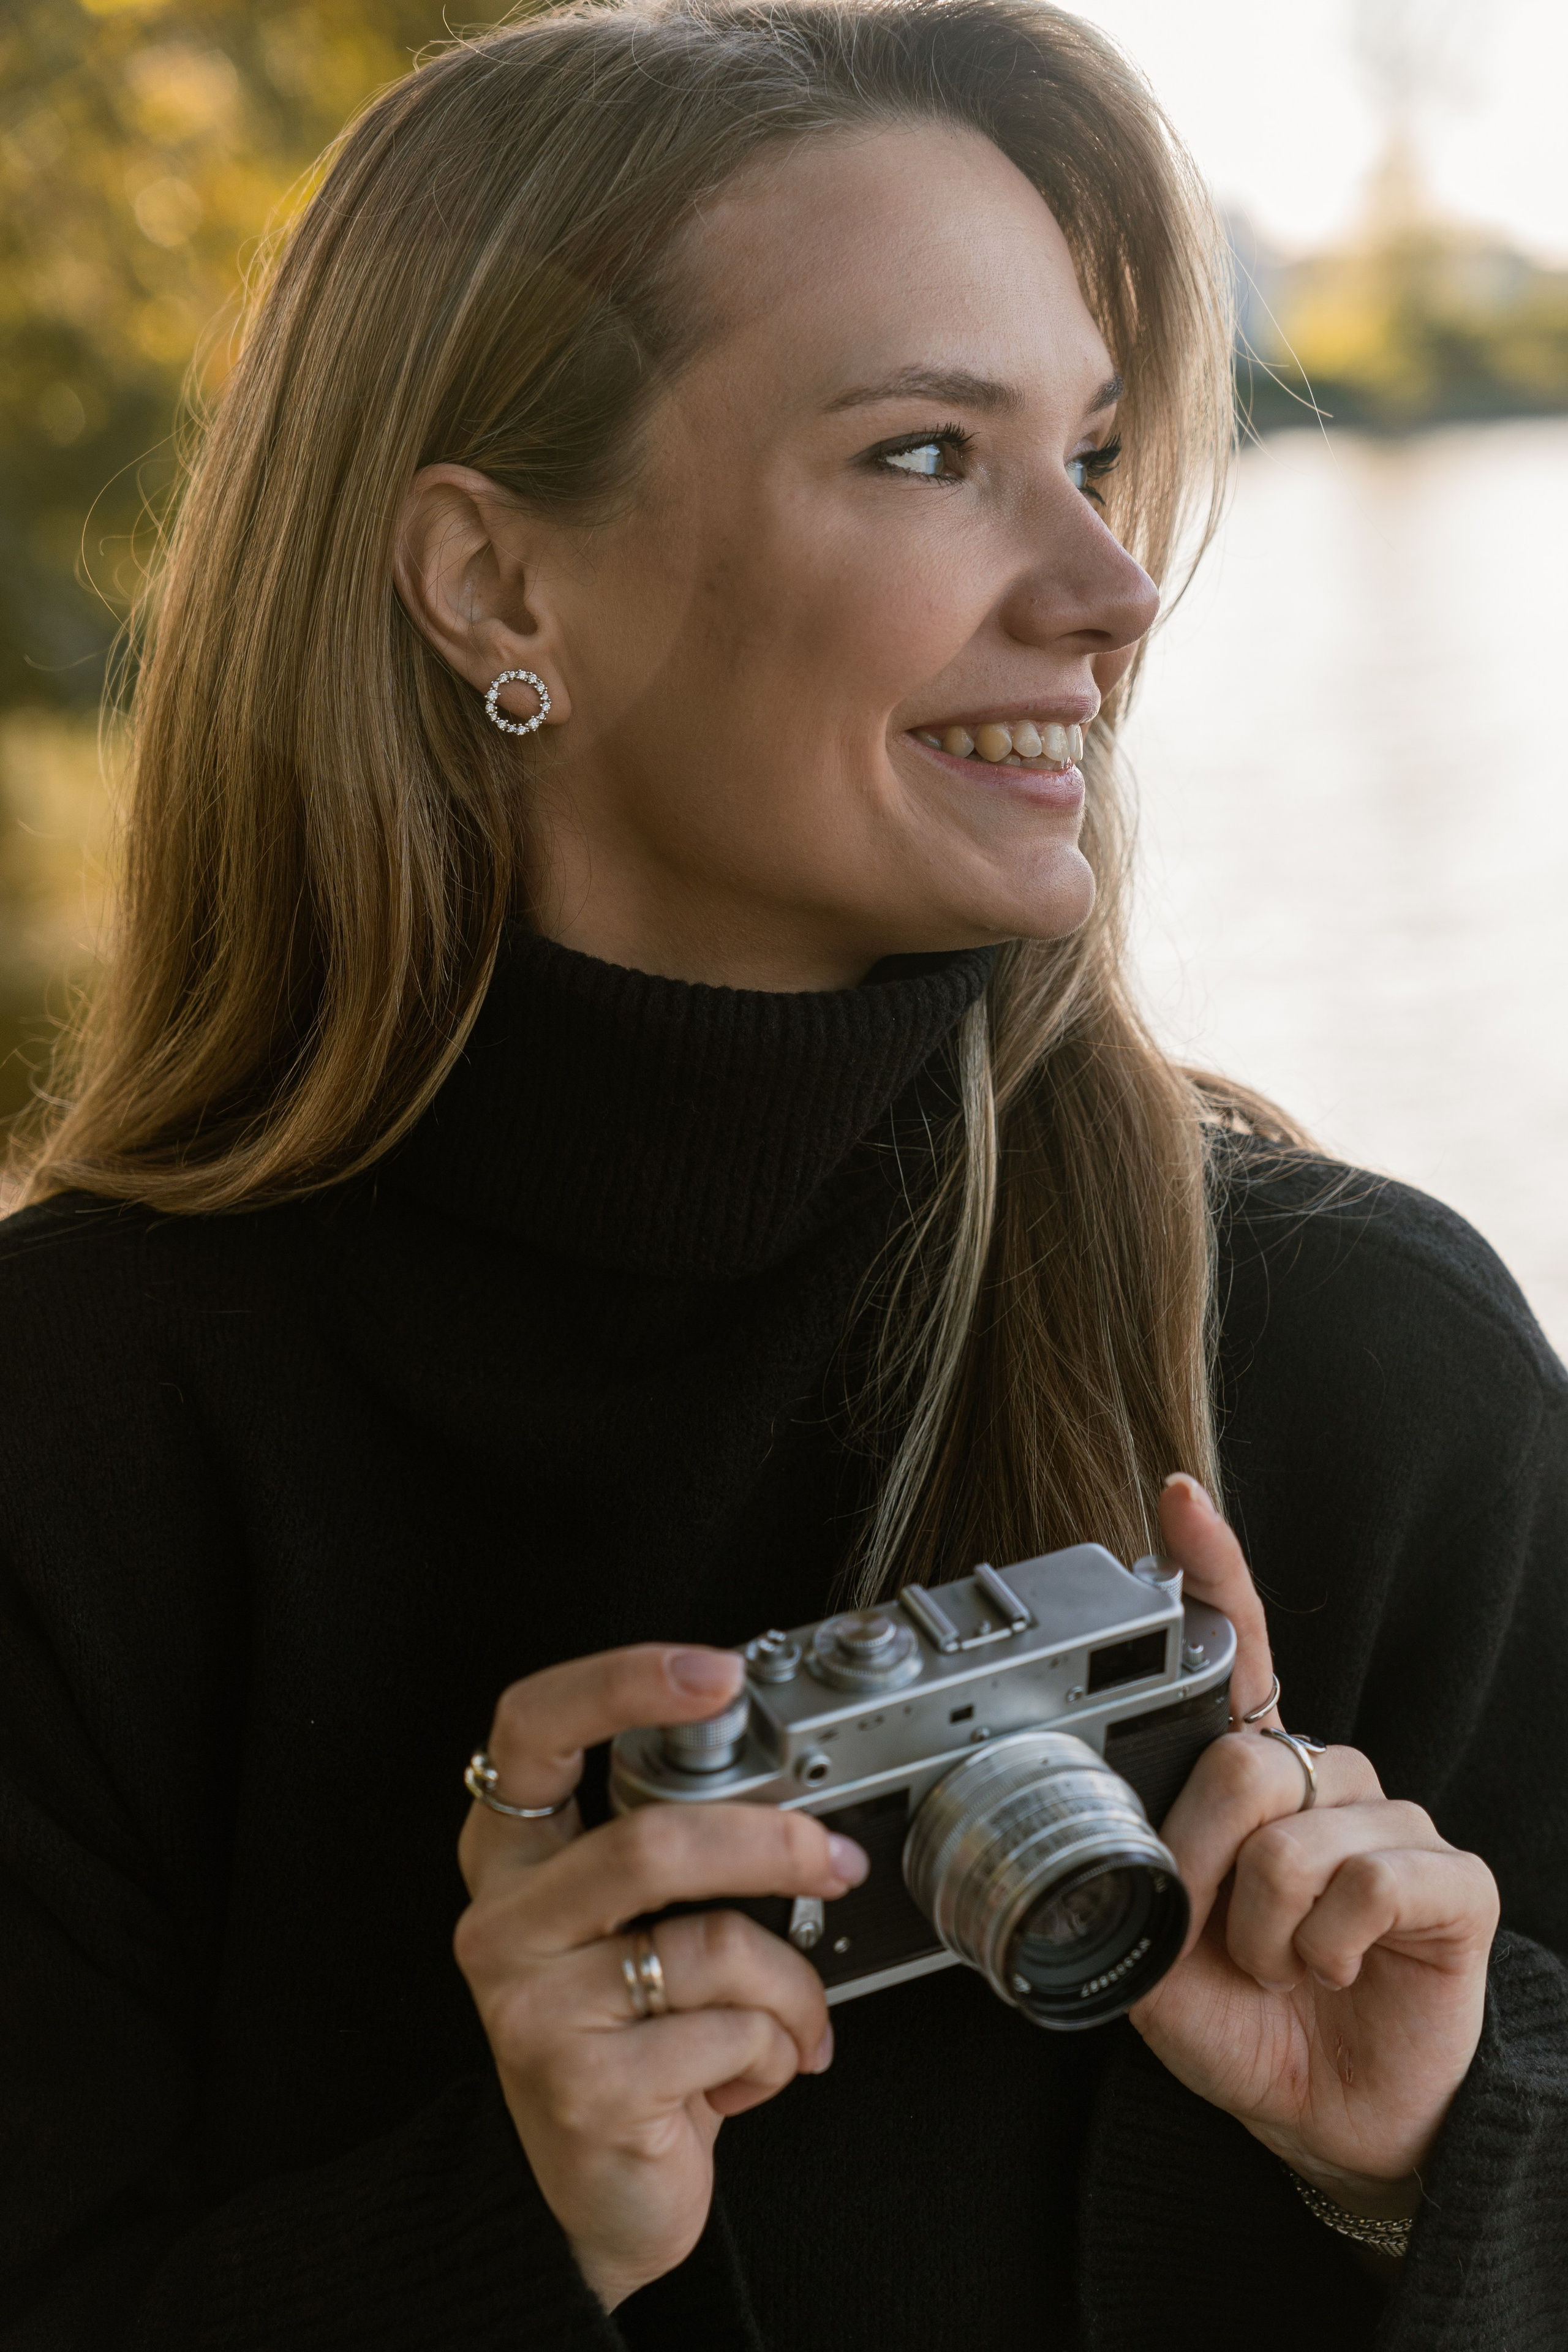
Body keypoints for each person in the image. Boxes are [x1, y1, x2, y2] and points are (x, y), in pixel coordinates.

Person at [1, 2, 1564, 2346]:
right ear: (495, 587)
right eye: (930, 452)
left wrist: (1431, 2175)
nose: (1113, 587)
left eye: (1096, 454)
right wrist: (518, 2234)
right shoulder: (72, 1432)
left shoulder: (1361, 1363)